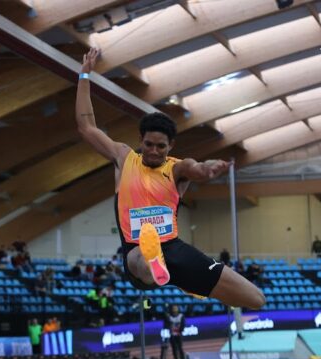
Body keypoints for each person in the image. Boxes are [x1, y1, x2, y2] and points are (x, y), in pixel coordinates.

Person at [75, 48, 264, 309]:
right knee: (145, 263)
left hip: (174, 249)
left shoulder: (177, 168)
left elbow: (198, 169)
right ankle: (159, 266)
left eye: (160, 146)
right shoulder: (124, 158)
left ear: (170, 146)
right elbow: (87, 127)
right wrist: (84, 77)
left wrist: (211, 168)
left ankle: (191, 282)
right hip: (136, 250)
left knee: (255, 299)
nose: (153, 151)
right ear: (140, 140)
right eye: (149, 144)